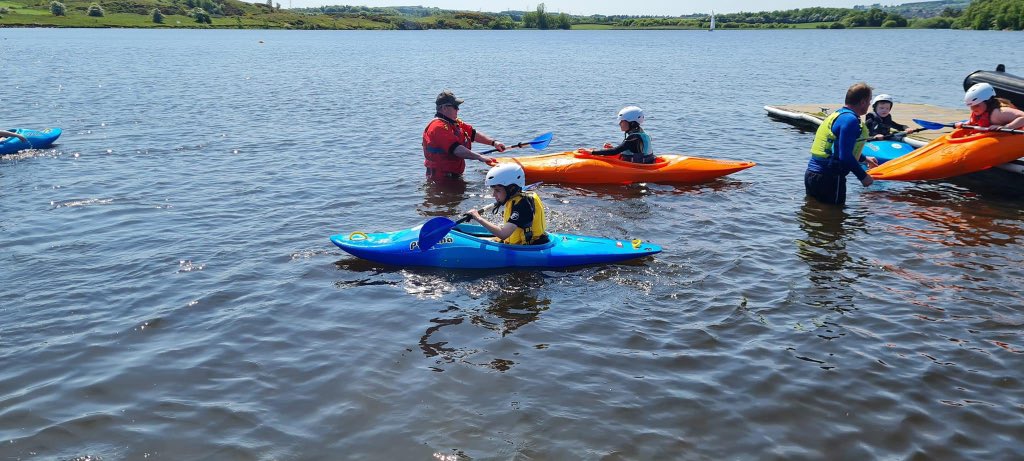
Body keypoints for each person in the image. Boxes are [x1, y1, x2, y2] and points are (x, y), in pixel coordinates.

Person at [805, 82, 875, 206]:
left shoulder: (838, 115)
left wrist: (864, 159)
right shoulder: (851, 120)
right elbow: (845, 156)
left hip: (812, 174)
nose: (870, 104)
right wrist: (863, 176)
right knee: (834, 218)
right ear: (863, 102)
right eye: (869, 101)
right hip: (830, 178)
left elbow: (838, 147)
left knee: (813, 212)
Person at [422, 90, 506, 180]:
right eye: (455, 106)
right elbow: (457, 149)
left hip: (454, 174)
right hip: (441, 178)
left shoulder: (454, 122)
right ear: (444, 108)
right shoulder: (438, 127)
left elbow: (473, 134)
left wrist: (494, 143)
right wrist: (479, 157)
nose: (458, 109)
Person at [466, 163, 548, 245]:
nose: (493, 194)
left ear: (511, 189)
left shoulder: (522, 205)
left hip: (529, 248)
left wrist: (478, 217)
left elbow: (503, 234)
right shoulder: (516, 196)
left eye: (497, 190)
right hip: (517, 244)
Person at [578, 106, 654, 164]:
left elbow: (615, 151)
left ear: (632, 123)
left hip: (638, 168)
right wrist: (613, 149)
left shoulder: (633, 138)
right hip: (645, 163)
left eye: (622, 121)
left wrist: (592, 152)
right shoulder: (641, 134)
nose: (619, 124)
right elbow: (629, 149)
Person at [955, 83, 1024, 131]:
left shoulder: (998, 113)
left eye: (976, 105)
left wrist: (1007, 127)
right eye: (971, 106)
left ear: (988, 101)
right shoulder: (980, 111)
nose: (973, 109)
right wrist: (965, 124)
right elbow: (975, 121)